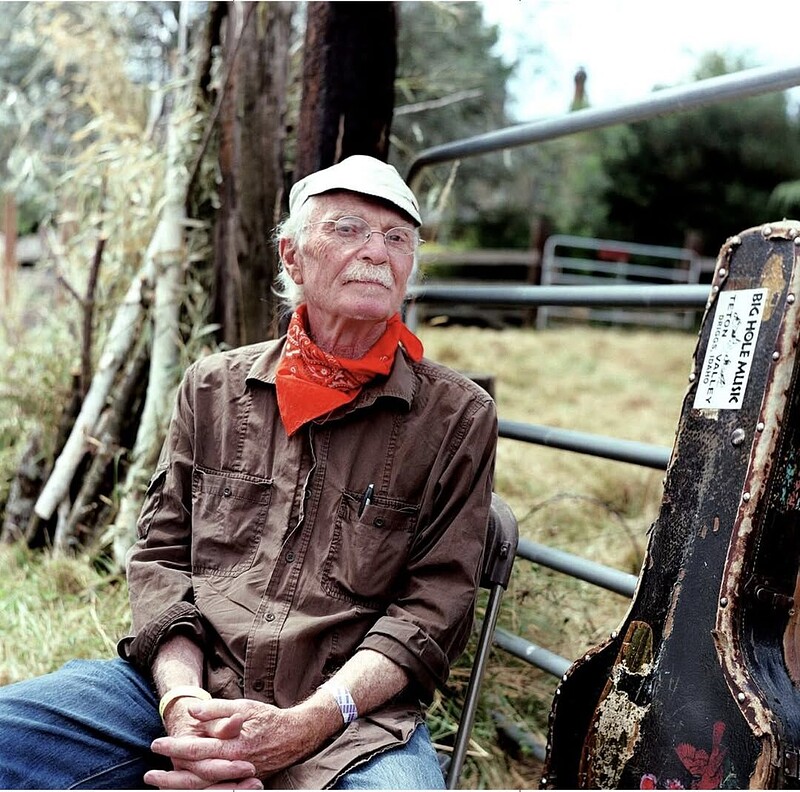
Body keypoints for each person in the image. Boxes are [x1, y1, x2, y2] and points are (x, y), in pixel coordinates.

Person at [0, 155, 498, 790]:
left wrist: (308, 723)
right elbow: (161, 559)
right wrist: (183, 709)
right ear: (291, 257)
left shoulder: (456, 416)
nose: (377, 252)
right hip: (184, 691)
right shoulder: (213, 388)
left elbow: (433, 608)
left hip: (350, 725)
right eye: (348, 229)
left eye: (397, 238)